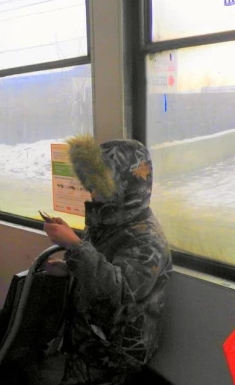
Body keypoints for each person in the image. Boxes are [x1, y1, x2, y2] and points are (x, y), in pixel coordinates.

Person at [42, 135, 172, 385]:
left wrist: (74, 245)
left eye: (100, 185)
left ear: (126, 185)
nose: (91, 192)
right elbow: (102, 264)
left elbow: (121, 291)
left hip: (118, 348)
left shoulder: (147, 238)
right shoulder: (108, 220)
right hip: (93, 335)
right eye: (90, 184)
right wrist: (70, 269)